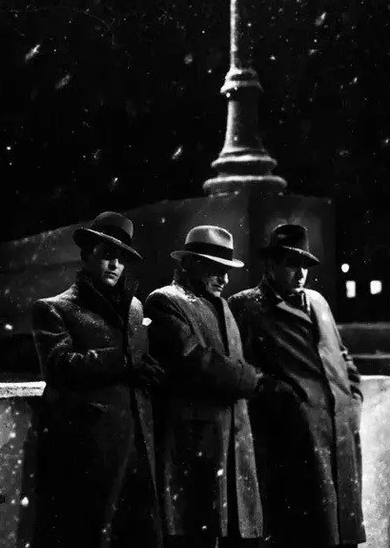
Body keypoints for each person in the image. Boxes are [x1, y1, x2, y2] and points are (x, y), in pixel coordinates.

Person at [146, 225, 294, 548]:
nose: (225, 279)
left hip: (232, 447)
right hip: (196, 449)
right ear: (189, 264)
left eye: (226, 271)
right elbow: (197, 361)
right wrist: (257, 381)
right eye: (215, 269)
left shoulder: (222, 305)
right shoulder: (163, 301)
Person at [30, 211, 166, 548]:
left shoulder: (134, 307)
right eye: (107, 254)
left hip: (138, 448)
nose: (115, 264)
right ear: (87, 254)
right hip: (88, 452)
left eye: (122, 258)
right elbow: (60, 366)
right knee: (89, 536)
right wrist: (123, 361)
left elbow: (140, 369)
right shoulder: (54, 308)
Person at [230, 224, 366, 548]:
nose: (301, 273)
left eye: (305, 264)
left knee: (342, 528)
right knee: (307, 531)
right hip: (295, 440)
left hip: (340, 432)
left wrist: (354, 397)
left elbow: (341, 352)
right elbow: (239, 367)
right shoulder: (247, 306)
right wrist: (280, 396)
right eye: (292, 263)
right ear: (270, 265)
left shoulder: (318, 301)